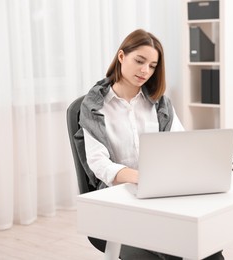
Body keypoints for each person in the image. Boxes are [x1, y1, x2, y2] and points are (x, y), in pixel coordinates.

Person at [77, 29, 224, 260]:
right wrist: (141, 177)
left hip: (162, 198)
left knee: (207, 249)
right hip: (120, 201)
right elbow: (98, 163)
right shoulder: (94, 106)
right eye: (140, 61)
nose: (145, 71)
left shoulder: (159, 103)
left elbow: (181, 146)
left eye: (153, 65)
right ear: (122, 57)